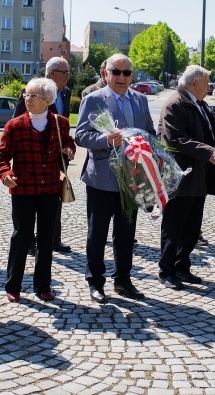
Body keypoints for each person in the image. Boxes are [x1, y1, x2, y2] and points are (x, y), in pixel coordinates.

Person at [75, 53, 155, 303]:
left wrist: (147, 145)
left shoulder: (141, 100)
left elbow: (150, 132)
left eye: (127, 73)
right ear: (105, 74)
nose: (122, 77)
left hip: (133, 178)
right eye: (116, 72)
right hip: (102, 178)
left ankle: (123, 280)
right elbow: (81, 136)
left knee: (126, 233)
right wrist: (106, 140)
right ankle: (95, 282)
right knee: (97, 234)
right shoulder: (93, 100)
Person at [0, 78, 76, 303]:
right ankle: (13, 285)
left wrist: (69, 149)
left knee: (46, 238)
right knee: (21, 236)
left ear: (48, 100)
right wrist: (5, 174)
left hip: (51, 188)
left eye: (33, 96)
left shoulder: (60, 123)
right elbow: (1, 156)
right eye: (26, 95)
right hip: (23, 189)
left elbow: (69, 142)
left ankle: (43, 286)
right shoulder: (15, 125)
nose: (27, 99)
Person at [156, 65, 215, 290]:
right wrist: (209, 152)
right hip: (180, 177)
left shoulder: (200, 104)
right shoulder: (175, 104)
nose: (209, 87)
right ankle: (166, 271)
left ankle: (182, 266)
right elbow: (176, 139)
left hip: (198, 176)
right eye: (206, 83)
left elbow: (211, 134)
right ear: (194, 83)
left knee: (192, 227)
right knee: (174, 227)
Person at [13, 56, 73, 254]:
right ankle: (29, 242)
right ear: (52, 73)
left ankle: (54, 239)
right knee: (29, 205)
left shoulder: (66, 93)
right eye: (65, 72)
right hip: (33, 160)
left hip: (57, 160)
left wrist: (68, 147)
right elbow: (18, 120)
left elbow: (64, 128)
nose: (68, 76)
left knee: (55, 201)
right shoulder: (31, 92)